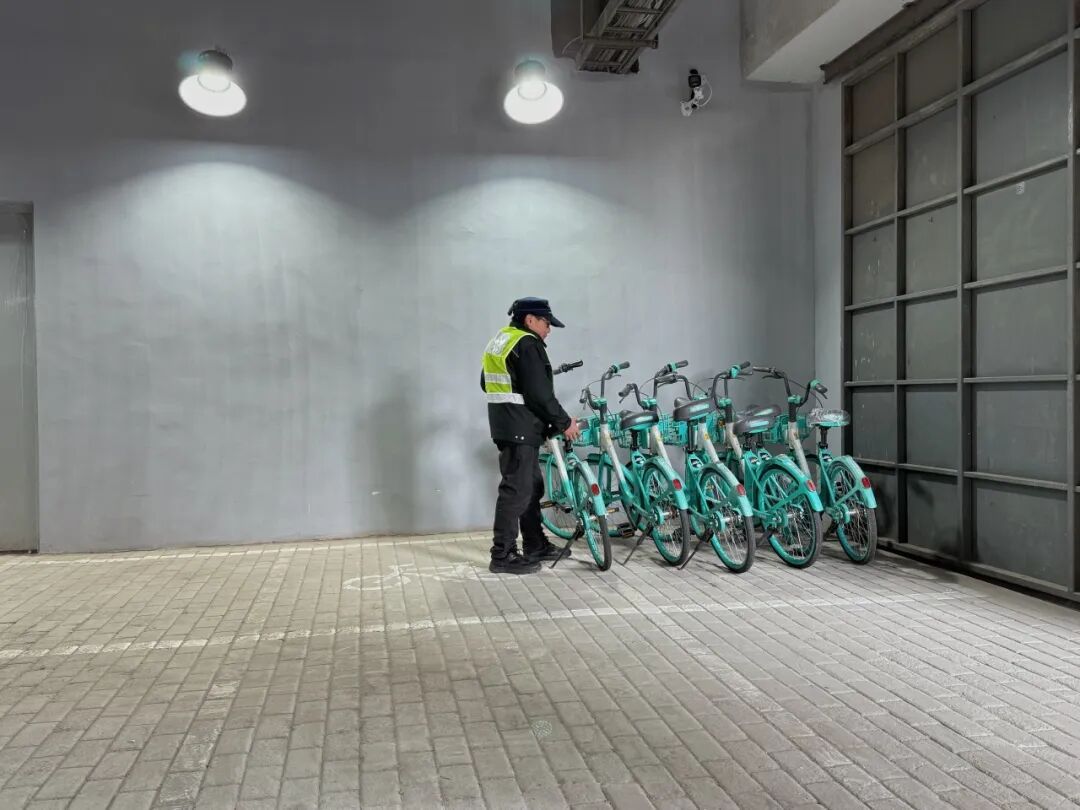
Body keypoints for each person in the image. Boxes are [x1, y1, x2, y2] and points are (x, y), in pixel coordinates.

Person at [480, 297, 581, 574]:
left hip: (509, 425)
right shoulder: (527, 343)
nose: (549, 330)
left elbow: (485, 382)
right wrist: (564, 423)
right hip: (519, 428)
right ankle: (502, 555)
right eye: (547, 323)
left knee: (532, 487)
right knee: (516, 490)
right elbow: (539, 393)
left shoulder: (501, 340)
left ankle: (535, 544)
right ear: (530, 320)